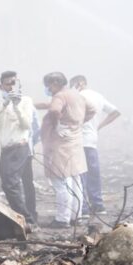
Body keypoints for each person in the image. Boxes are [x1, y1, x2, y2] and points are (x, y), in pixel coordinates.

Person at [39, 72, 95, 229]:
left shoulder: (60, 96)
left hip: (60, 144)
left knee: (61, 181)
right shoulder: (76, 95)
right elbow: (92, 109)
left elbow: (54, 110)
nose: (47, 89)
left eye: (48, 85)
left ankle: (62, 219)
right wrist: (77, 123)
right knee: (75, 178)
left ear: (55, 83)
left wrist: (57, 124)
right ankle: (75, 216)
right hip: (74, 141)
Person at [0, 71, 37, 226]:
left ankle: (26, 219)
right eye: (8, 84)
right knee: (14, 183)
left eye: (14, 83)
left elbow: (27, 125)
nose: (11, 87)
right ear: (1, 86)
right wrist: (5, 104)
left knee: (12, 183)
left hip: (20, 147)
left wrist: (16, 106)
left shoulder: (26, 101)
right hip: (6, 149)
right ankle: (28, 218)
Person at [69, 75, 120, 216]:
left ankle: (83, 208)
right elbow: (115, 112)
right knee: (93, 173)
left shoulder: (77, 96)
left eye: (72, 84)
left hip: (78, 139)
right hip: (92, 140)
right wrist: (99, 126)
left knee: (80, 174)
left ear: (80, 83)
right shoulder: (98, 96)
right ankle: (98, 205)